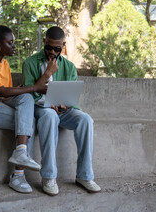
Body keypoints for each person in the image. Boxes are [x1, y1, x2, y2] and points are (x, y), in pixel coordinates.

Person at [0, 25, 50, 194]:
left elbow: (6, 94)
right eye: (10, 42)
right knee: (26, 119)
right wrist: (34, 88)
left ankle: (20, 153)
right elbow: (3, 91)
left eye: (14, 42)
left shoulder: (4, 64)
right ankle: (18, 175)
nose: (14, 46)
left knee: (26, 103)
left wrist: (26, 90)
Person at [22, 26, 101, 196]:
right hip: (41, 108)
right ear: (44, 42)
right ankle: (49, 176)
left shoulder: (70, 67)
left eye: (56, 49)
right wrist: (48, 73)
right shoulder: (29, 63)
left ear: (62, 46)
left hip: (63, 109)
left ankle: (84, 175)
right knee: (50, 116)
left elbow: (70, 95)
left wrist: (66, 104)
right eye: (48, 47)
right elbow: (30, 93)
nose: (52, 51)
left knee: (86, 120)